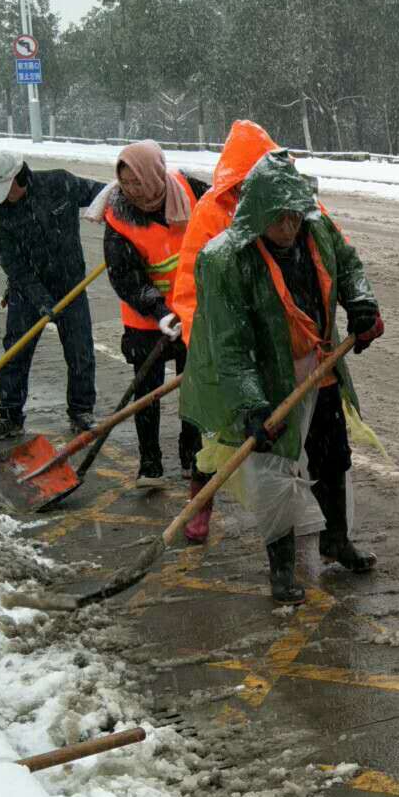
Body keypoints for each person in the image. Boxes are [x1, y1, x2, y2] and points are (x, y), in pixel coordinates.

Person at [182, 151, 384, 603]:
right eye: (279, 219)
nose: (290, 227)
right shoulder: (227, 260)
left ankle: (336, 540)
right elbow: (230, 346)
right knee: (275, 473)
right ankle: (282, 568)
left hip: (321, 367)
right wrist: (251, 405)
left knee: (333, 459)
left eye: (295, 216)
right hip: (267, 378)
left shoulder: (317, 229)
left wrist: (361, 303)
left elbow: (348, 265)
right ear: (257, 214)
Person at [161, 119, 282, 542]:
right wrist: (211, 348)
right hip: (223, 339)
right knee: (215, 436)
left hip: (277, 339)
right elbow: (191, 287)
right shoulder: (212, 212)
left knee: (284, 435)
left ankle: (295, 519)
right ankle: (201, 504)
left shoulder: (287, 200)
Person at [101, 140, 210, 488]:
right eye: (125, 183)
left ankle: (192, 453)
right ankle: (150, 463)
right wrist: (159, 311)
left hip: (192, 311)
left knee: (193, 388)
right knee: (147, 392)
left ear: (154, 174)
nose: (131, 190)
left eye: (137, 181)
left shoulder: (190, 191)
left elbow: (223, 211)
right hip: (145, 317)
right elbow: (124, 276)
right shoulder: (119, 217)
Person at [0, 151, 102, 444]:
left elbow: (103, 195)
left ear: (19, 177)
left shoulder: (59, 183)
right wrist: (41, 299)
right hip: (26, 290)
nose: (2, 197)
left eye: (5, 189)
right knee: (15, 352)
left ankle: (81, 410)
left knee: (80, 351)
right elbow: (15, 266)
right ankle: (9, 414)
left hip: (70, 286)